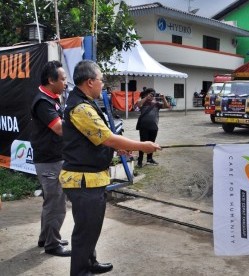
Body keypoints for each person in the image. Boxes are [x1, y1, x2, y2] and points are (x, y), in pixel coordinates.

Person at [59, 60, 161, 275]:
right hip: (83, 180)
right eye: (101, 80)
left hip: (91, 178)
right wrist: (142, 145)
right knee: (85, 231)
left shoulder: (86, 102)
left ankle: (90, 262)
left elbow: (94, 139)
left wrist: (119, 149)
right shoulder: (81, 108)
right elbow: (107, 138)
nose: (103, 84)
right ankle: (80, 271)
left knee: (91, 227)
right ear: (89, 82)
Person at [30, 60, 71, 257]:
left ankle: (46, 237)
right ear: (50, 80)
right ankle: (52, 244)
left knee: (51, 201)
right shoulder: (43, 102)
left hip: (53, 158)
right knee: (56, 203)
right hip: (49, 161)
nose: (65, 82)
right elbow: (59, 128)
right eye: (62, 79)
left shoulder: (51, 98)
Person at [134, 87, 170, 168]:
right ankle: (140, 161)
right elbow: (138, 105)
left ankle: (149, 159)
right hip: (144, 127)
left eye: (153, 94)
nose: (152, 96)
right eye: (150, 94)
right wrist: (146, 98)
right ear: (146, 94)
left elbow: (167, 106)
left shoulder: (156, 103)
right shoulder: (143, 102)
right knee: (142, 144)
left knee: (152, 144)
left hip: (154, 127)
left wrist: (163, 98)